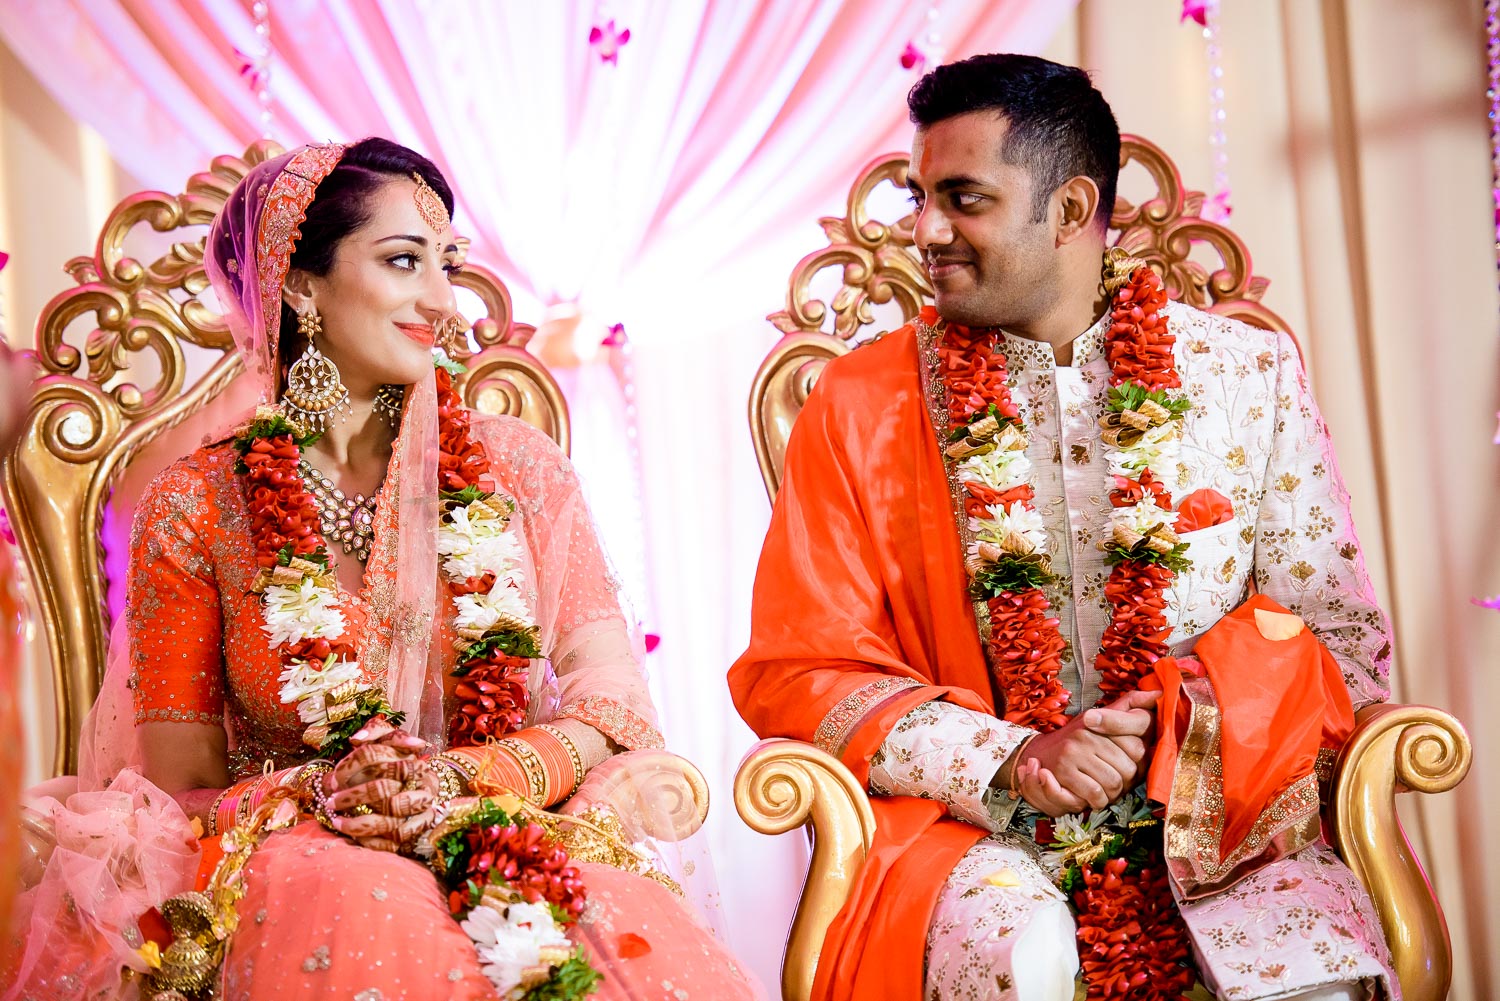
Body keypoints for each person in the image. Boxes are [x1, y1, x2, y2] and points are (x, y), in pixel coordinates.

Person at [7, 138, 759, 1000]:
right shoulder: (198, 504)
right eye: (405, 262)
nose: (442, 300)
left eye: (449, 265)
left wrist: (465, 779)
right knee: (361, 902)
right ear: (300, 284)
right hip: (295, 863)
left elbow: (612, 705)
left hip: (501, 831)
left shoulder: (520, 469)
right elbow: (176, 789)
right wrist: (322, 791)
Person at [731, 54, 1397, 1001]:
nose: (926, 231)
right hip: (972, 825)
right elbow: (796, 668)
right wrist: (1011, 755)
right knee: (1020, 948)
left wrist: (1185, 715)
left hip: (1225, 805)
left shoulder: (1246, 376)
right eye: (920, 197)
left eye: (963, 199)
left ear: (1072, 206)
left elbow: (1336, 636)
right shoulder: (859, 401)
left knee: (1302, 972)